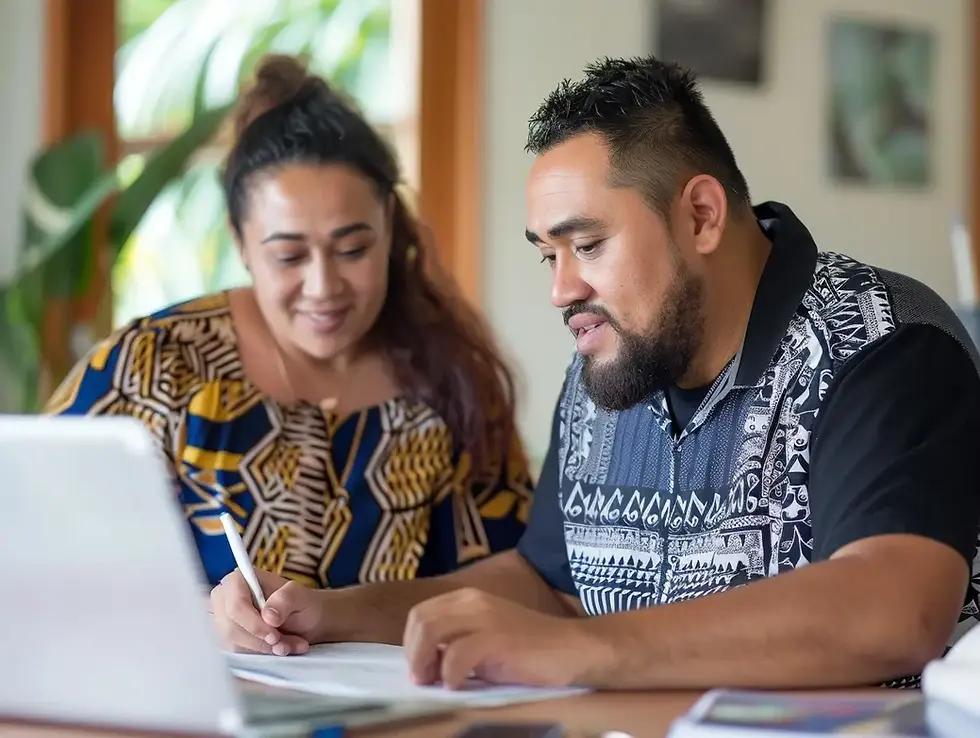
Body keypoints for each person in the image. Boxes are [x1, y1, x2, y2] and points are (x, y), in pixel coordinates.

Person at [210, 55, 980, 690]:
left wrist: (586, 650)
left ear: (703, 216)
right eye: (548, 254)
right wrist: (330, 613)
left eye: (587, 245)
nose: (560, 290)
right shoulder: (611, 370)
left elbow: (893, 613)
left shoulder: (884, 344)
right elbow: (548, 584)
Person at [46, 54, 533, 594]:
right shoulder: (154, 368)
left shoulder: (448, 379)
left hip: (394, 681)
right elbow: (41, 557)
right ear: (241, 242)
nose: (324, 286)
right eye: (288, 256)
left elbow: (513, 585)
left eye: (353, 249)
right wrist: (207, 616)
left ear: (390, 228)